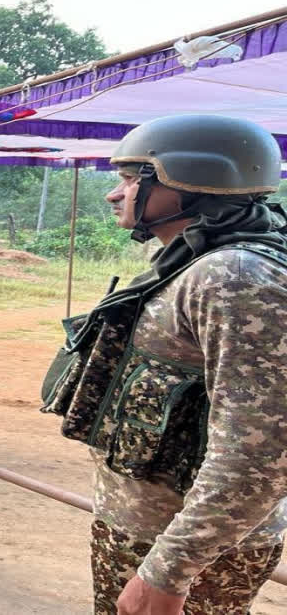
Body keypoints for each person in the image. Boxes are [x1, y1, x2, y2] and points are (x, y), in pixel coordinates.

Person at [38, 115, 287, 615]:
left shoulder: (235, 275)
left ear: (188, 185)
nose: (116, 194)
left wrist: (168, 570)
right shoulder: (199, 259)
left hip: (187, 546)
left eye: (132, 180)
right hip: (154, 529)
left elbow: (260, 450)